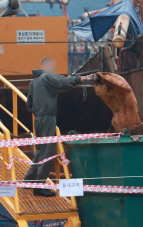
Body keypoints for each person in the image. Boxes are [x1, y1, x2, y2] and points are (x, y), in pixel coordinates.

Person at [24, 56, 96, 197]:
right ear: (46, 66)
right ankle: (39, 186)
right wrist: (86, 78)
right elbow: (64, 82)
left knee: (40, 151)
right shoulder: (48, 78)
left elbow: (29, 104)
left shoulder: (34, 82)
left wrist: (39, 112)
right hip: (47, 118)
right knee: (48, 151)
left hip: (38, 119)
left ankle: (29, 180)